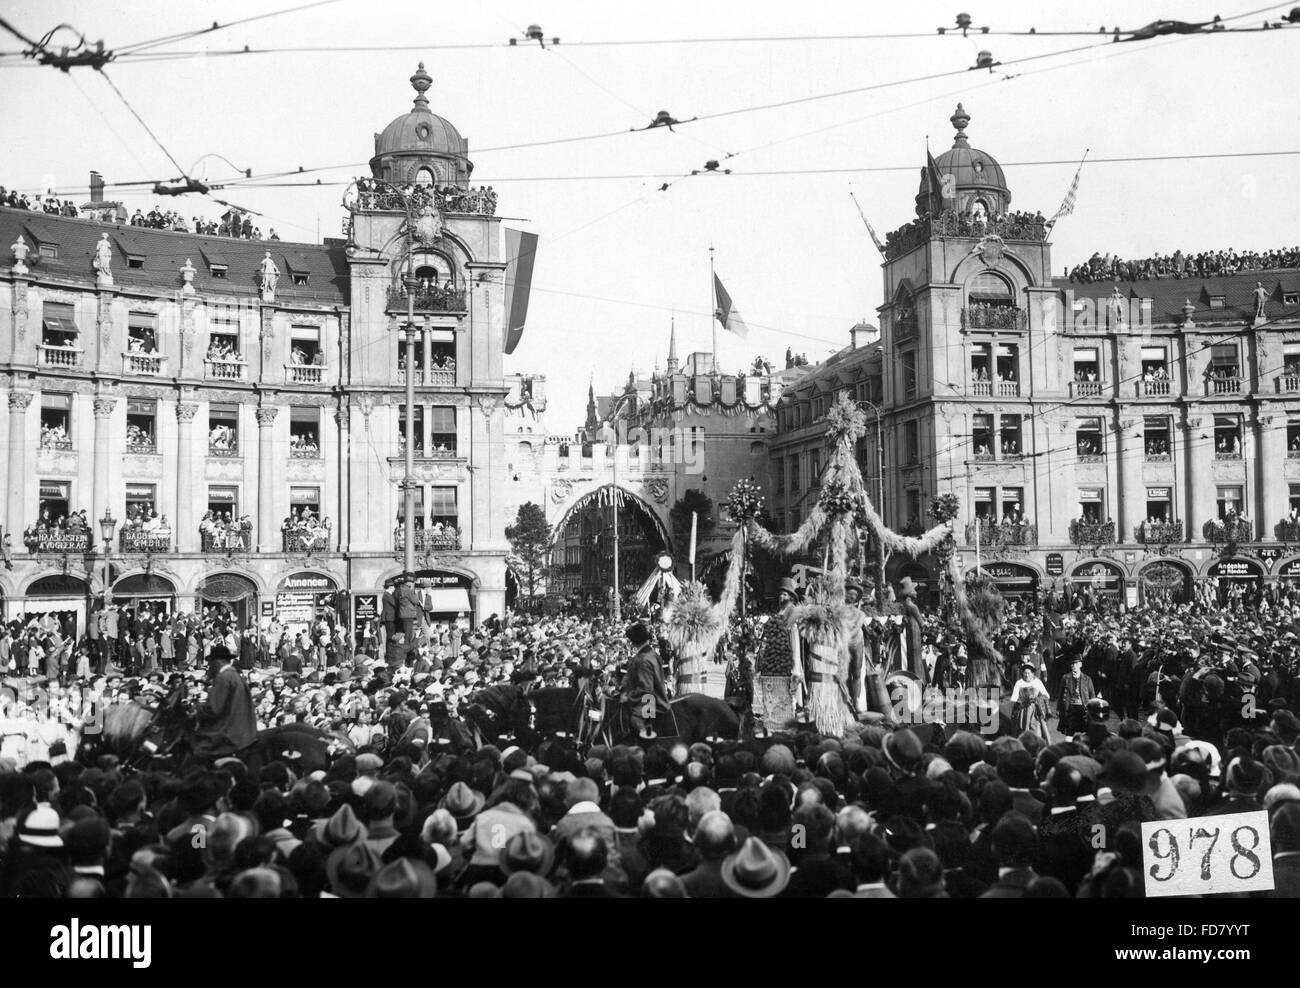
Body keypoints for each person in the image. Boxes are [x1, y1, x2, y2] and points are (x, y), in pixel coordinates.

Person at [193, 643, 258, 759]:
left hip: (230, 732)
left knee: (196, 748)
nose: (209, 666)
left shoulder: (223, 677)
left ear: (218, 661)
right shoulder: (235, 675)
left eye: (210, 662)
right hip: (245, 731)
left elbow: (213, 709)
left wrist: (197, 708)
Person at [621, 621, 673, 740]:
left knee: (635, 719)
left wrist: (628, 696)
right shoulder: (650, 653)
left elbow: (645, 688)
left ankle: (648, 741)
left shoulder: (643, 659)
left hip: (650, 701)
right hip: (651, 696)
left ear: (633, 642)